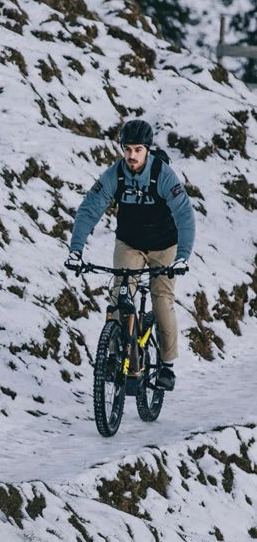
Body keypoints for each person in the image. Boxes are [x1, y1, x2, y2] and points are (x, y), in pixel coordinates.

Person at [69, 118, 195, 391]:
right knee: (119, 296)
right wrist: (75, 250)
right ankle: (113, 357)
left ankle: (167, 366)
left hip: (164, 245)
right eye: (127, 149)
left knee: (161, 299)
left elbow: (184, 213)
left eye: (138, 149)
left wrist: (183, 256)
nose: (132, 155)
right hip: (130, 243)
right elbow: (90, 208)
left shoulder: (162, 174)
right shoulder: (115, 174)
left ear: (147, 150)